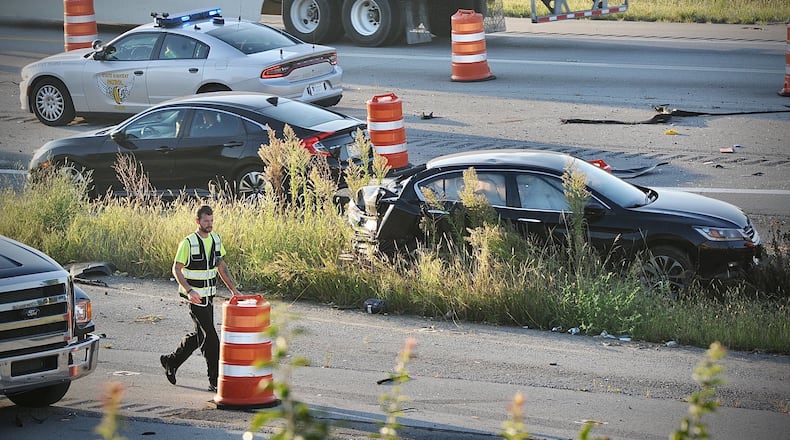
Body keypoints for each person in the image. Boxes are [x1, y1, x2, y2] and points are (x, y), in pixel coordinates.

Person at [160, 205, 240, 392]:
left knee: (200, 335)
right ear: (197, 221)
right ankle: (215, 380)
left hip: (209, 297)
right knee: (212, 339)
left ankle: (171, 361)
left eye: (211, 221)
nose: (209, 224)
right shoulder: (188, 243)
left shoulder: (216, 239)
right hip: (195, 299)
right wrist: (189, 290)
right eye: (206, 221)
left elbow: (220, 265)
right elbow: (176, 269)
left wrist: (234, 290)